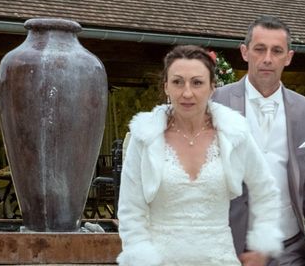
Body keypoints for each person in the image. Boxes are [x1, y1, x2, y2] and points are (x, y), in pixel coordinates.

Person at [117, 45, 284, 266]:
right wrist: (140, 255)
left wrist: (262, 244)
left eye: (197, 82)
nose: (187, 93)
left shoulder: (234, 135)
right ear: (166, 86)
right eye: (177, 82)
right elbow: (131, 209)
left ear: (212, 87)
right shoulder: (144, 138)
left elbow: (266, 190)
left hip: (219, 258)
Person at [213, 16, 305, 266]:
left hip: (289, 249)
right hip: (232, 250)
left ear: (288, 57)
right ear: (245, 52)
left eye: (276, 51)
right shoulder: (215, 104)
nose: (267, 58)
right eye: (260, 49)